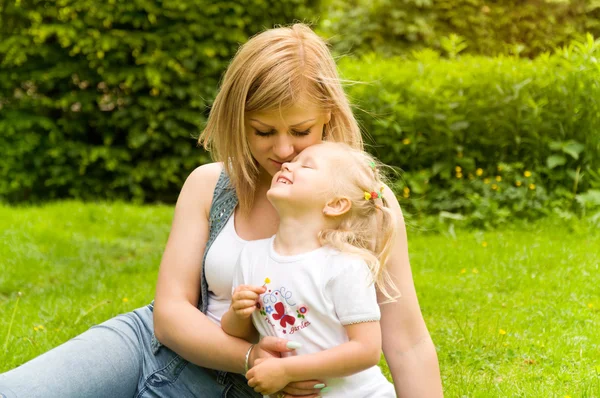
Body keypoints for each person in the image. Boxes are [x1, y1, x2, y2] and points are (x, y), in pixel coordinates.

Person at [0, 24, 442, 398]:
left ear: (327, 115)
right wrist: (251, 357)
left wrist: (277, 372)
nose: (284, 149)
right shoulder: (210, 184)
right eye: (263, 130)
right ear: (237, 119)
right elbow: (170, 313)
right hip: (149, 349)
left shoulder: (365, 205)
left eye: (301, 130)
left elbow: (405, 342)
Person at [222, 142, 399, 397]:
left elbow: (366, 350)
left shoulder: (344, 265)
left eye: (305, 165)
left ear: (336, 204)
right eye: (291, 163)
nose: (286, 165)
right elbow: (241, 332)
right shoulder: (251, 256)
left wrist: (288, 371)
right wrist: (238, 313)